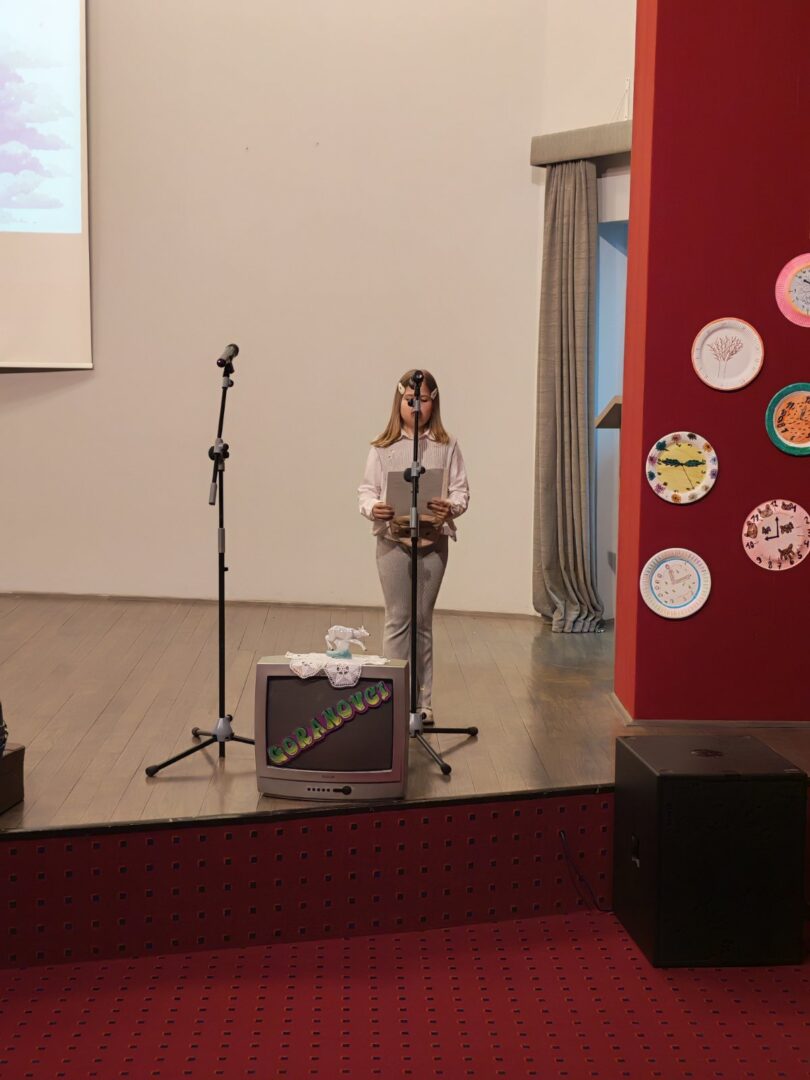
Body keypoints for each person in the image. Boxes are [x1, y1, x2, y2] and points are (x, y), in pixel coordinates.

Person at [358, 370, 469, 724]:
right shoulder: (383, 447)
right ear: (399, 402)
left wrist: (450, 507)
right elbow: (366, 491)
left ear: (433, 401)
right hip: (393, 540)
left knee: (422, 620)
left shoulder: (446, 445)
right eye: (409, 400)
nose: (416, 407)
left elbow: (461, 491)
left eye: (422, 400)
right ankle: (391, 698)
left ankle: (423, 703)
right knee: (397, 619)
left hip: (432, 541)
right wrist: (374, 507)